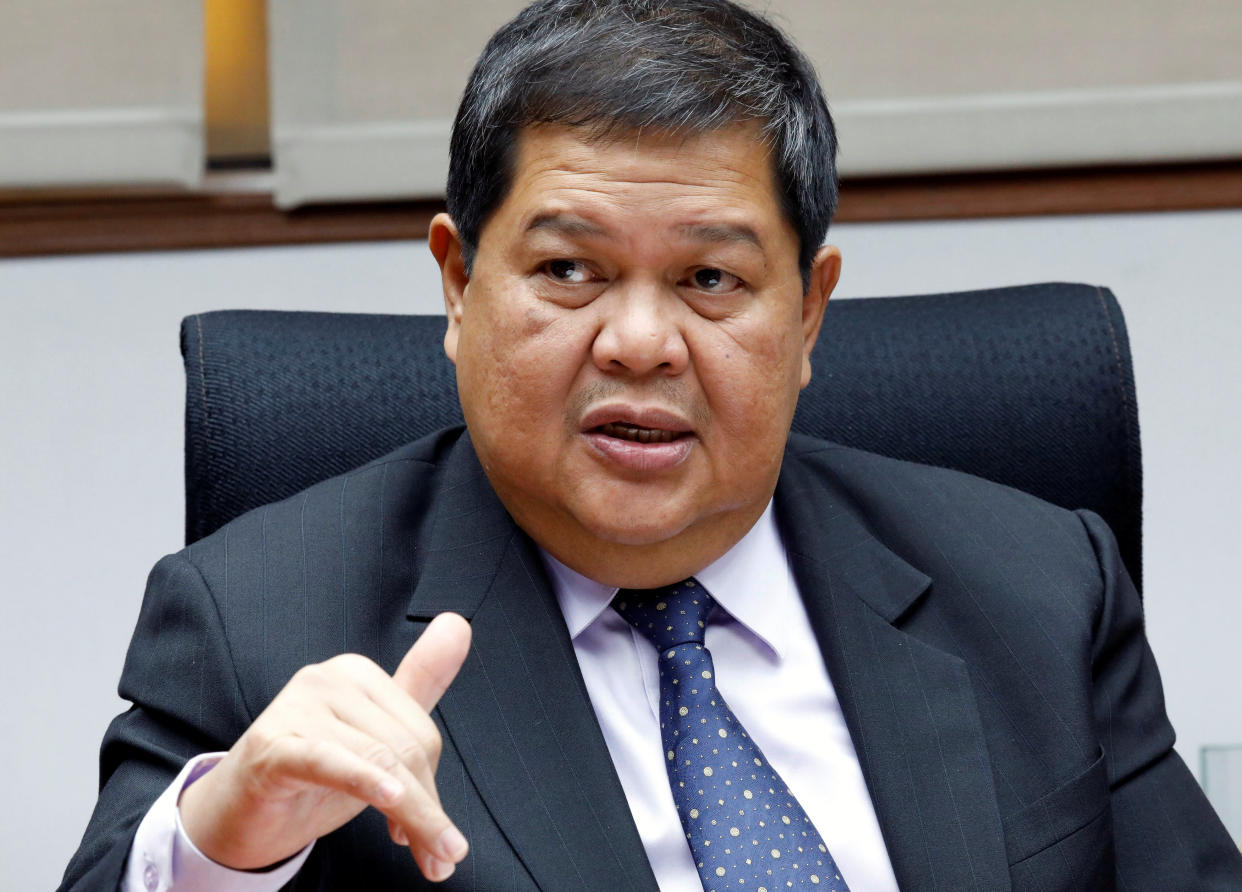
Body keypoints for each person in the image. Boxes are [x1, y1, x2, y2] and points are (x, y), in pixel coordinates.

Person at [61, 1, 1242, 890]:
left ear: (809, 311)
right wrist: (226, 838)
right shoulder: (257, 619)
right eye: (568, 270)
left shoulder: (1037, 585)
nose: (638, 341)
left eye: (710, 279)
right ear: (460, 284)